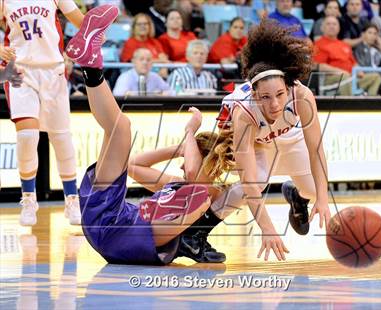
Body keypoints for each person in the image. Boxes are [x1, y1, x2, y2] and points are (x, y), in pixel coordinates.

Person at [66, 5, 236, 264]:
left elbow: (193, 174)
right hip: (114, 219)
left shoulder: (210, 192)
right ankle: (90, 62)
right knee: (120, 128)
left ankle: (91, 59)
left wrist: (190, 132)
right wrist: (177, 148)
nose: (182, 162)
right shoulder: (175, 185)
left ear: (209, 162)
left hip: (119, 235)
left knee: (121, 130)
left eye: (190, 155)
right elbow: (134, 166)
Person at [215, 19, 331, 261]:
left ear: (288, 86)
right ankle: (199, 232)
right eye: (266, 97)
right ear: (255, 94)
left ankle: (298, 196)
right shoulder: (243, 112)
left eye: (279, 94)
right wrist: (267, 229)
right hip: (259, 144)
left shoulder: (302, 96)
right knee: (253, 182)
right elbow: (247, 180)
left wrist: (322, 197)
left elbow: (316, 151)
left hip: (291, 137)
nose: (275, 104)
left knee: (312, 189)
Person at [0, 0, 84, 226]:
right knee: (27, 136)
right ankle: (28, 198)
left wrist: (94, 34)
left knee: (62, 137)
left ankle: (72, 199)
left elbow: (81, 21)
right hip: (20, 72)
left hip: (53, 71)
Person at [314, 16, 381, 96]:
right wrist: (340, 72)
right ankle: (349, 106)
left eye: (334, 24)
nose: (331, 26)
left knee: (375, 77)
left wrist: (359, 72)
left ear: (339, 28)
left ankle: (370, 106)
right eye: (328, 24)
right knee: (345, 77)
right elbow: (319, 65)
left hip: (351, 77)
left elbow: (353, 63)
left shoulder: (344, 45)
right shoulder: (318, 44)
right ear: (322, 28)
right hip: (331, 78)